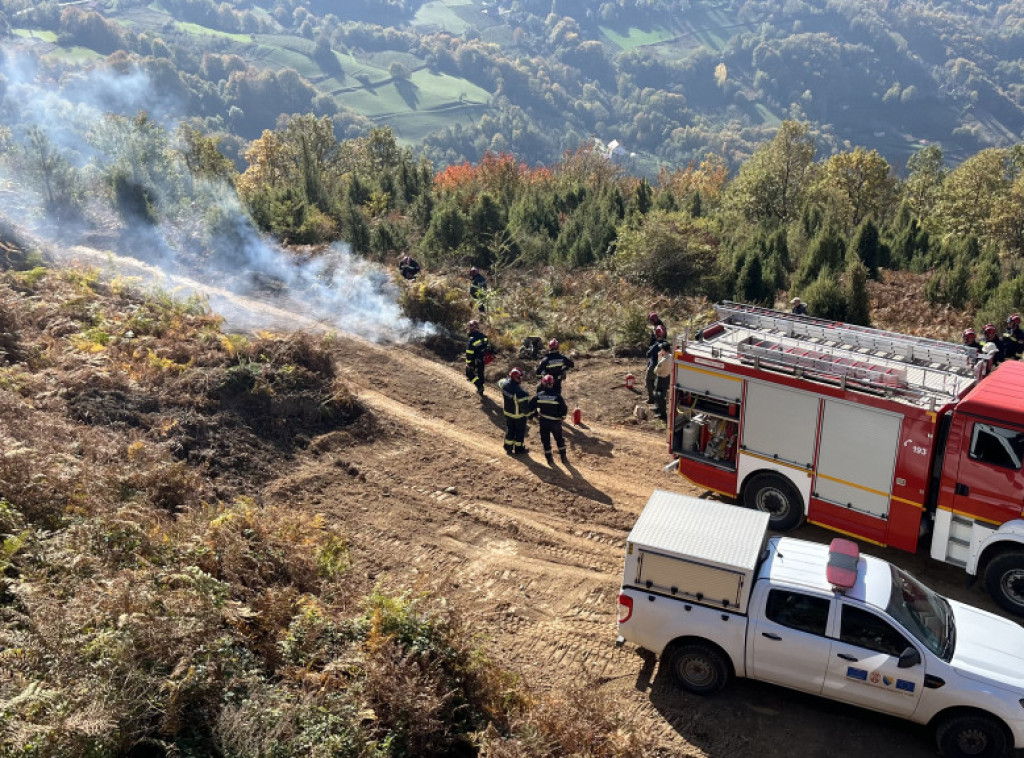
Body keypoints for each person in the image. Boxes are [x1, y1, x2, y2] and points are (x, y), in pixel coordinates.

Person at [531, 373, 568, 465]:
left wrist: (535, 414)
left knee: (546, 440)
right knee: (559, 439)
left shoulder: (538, 396)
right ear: (552, 384)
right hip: (555, 422)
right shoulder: (557, 396)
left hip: (544, 422)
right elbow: (564, 408)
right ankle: (563, 457)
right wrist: (561, 417)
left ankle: (549, 459)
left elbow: (530, 406)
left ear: (543, 384)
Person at [498, 367, 532, 455]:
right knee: (520, 432)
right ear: (514, 377)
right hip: (518, 416)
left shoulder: (504, 384)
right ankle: (519, 449)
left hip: (508, 413)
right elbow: (524, 407)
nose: (521, 379)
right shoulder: (519, 392)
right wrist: (529, 415)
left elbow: (499, 382)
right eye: (519, 377)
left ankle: (508, 447)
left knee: (510, 429)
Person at [465, 319, 493, 396]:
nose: (468, 329)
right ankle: (481, 389)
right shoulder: (484, 336)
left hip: (474, 360)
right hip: (482, 359)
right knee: (480, 373)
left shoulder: (471, 339)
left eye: (469, 327)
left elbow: (469, 353)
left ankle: (479, 386)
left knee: (469, 374)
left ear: (472, 328)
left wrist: (469, 363)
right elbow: (488, 346)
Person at [646, 324, 668, 403]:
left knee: (648, 380)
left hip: (654, 365)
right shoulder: (666, 343)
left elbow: (648, 354)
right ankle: (659, 398)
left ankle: (651, 398)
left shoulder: (656, 345)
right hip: (664, 366)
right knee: (659, 383)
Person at [653, 342, 673, 421]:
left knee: (659, 396)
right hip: (667, 377)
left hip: (661, 379)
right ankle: (658, 409)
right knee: (662, 395)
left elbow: (655, 371)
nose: (660, 349)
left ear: (664, 350)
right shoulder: (671, 357)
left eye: (662, 348)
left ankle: (662, 413)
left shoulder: (663, 360)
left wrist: (659, 358)